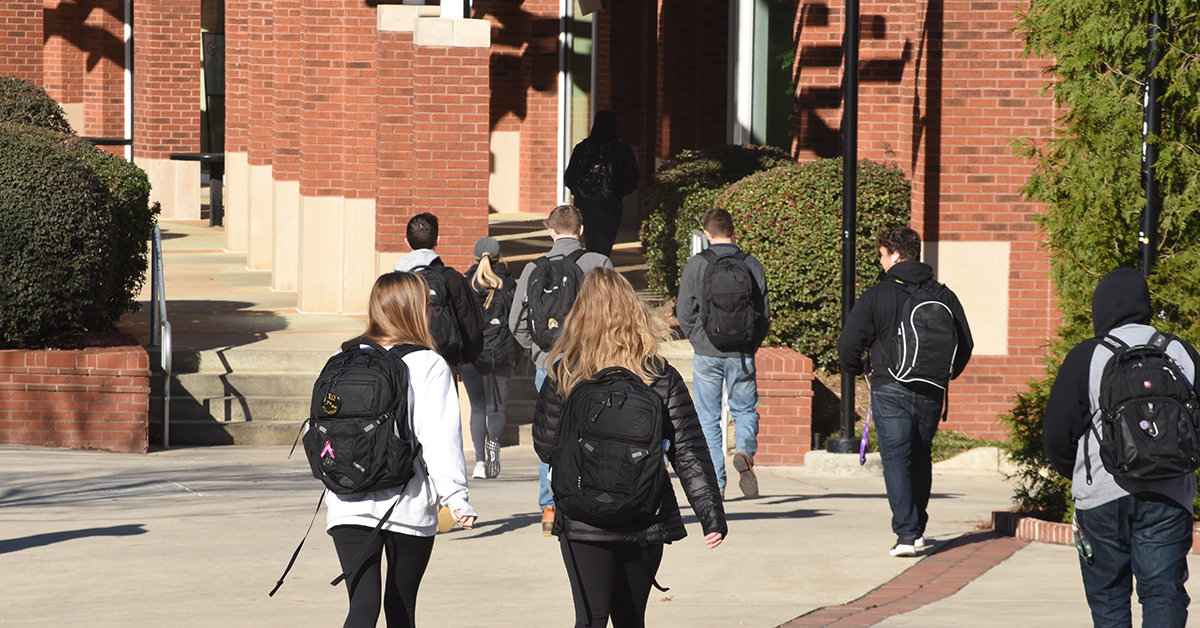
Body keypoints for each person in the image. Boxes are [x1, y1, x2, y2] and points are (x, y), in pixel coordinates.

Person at [532, 267, 727, 628]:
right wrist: (710, 514)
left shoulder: (565, 372)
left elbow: (545, 447)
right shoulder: (659, 374)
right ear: (633, 312)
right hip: (646, 514)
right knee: (631, 620)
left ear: (579, 315)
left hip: (582, 517)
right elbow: (688, 450)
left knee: (590, 619)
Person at [1043, 268, 1196, 628]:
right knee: (1164, 592)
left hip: (1102, 497)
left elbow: (1056, 435)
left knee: (1109, 600)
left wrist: (1083, 475)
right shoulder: (1181, 352)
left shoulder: (1088, 356)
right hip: (1170, 494)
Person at [325, 271, 477, 628]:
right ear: (413, 310)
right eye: (428, 305)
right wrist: (456, 498)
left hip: (347, 499)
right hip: (405, 503)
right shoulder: (428, 364)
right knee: (401, 607)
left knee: (362, 604)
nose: (433, 313)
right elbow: (439, 439)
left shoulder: (342, 357)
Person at [836, 226, 973, 557]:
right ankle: (918, 529)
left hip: (890, 385)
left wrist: (859, 369)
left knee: (897, 459)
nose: (881, 262)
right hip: (930, 389)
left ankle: (907, 535)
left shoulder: (878, 294)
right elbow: (965, 343)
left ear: (895, 256)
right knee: (920, 457)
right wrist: (944, 374)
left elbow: (848, 345)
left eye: (882, 255)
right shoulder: (944, 294)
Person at [509, 204, 614, 535]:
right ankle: (588, 501)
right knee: (593, 433)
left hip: (549, 365)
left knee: (548, 434)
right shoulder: (599, 263)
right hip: (591, 364)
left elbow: (516, 323)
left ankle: (549, 508)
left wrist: (540, 353)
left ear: (550, 231)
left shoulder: (532, 268)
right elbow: (614, 314)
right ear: (581, 231)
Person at [675, 207, 770, 499]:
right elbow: (764, 313)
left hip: (707, 352)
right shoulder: (751, 264)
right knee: (743, 409)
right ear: (733, 231)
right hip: (741, 352)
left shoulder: (697, 264)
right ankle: (744, 450)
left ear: (707, 234)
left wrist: (697, 339)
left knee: (707, 417)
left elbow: (685, 312)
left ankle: (716, 483)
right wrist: (751, 344)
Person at [393, 212, 484, 375]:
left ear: (407, 242)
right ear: (437, 240)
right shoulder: (453, 279)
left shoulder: (394, 281)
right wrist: (465, 357)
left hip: (403, 366)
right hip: (445, 364)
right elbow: (473, 328)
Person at [462, 236, 516, 479]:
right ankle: (494, 446)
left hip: (472, 355)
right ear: (499, 257)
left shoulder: (466, 284)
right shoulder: (509, 283)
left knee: (477, 409)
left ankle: (480, 463)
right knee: (497, 408)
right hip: (502, 354)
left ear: (475, 258)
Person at [563, 109, 640, 258]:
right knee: (604, 248)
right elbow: (632, 179)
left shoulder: (582, 148)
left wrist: (581, 193)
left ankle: (590, 275)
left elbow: (569, 177)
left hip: (584, 206)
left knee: (589, 245)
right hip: (610, 207)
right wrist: (616, 193)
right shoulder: (622, 149)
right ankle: (600, 276)